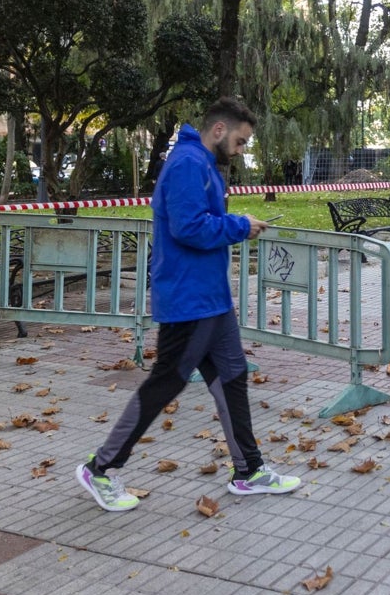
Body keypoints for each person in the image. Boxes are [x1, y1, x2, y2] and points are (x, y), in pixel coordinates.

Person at [76, 97, 300, 511]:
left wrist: (237, 225)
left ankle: (248, 471)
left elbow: (199, 222)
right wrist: (240, 226)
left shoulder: (201, 164)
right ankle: (100, 468)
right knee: (166, 382)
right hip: (188, 299)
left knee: (232, 375)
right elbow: (188, 227)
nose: (241, 149)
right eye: (240, 141)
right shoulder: (188, 164)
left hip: (209, 298)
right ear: (219, 130)